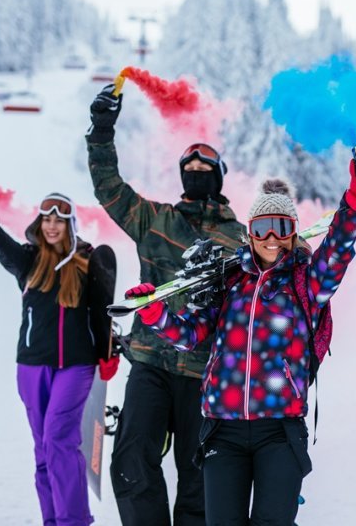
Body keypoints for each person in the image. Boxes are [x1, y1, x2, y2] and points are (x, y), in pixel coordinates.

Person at [125, 157, 356, 525]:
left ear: (293, 233)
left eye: (281, 227)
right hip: (222, 429)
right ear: (249, 233)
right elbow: (189, 336)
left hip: (278, 430)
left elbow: (338, 247)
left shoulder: (306, 284)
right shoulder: (229, 282)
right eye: (261, 228)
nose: (270, 237)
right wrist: (155, 315)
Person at [86, 83, 246, 526]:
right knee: (132, 459)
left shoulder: (240, 241)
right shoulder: (154, 220)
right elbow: (109, 188)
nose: (195, 171)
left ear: (217, 176)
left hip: (203, 372)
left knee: (200, 475)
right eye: (188, 166)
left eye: (203, 166)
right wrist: (102, 129)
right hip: (151, 363)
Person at [0, 192, 118, 526]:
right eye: (47, 219)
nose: (52, 226)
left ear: (70, 225)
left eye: (59, 219)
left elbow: (101, 312)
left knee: (59, 438)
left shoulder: (87, 261)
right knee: (44, 450)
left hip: (76, 365)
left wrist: (107, 352)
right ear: (39, 223)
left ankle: (73, 521)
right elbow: (0, 243)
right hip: (32, 366)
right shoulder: (29, 261)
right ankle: (53, 520)